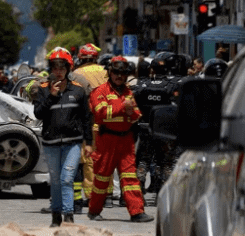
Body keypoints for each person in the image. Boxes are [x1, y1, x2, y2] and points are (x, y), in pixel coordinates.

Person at [88, 56, 154, 223]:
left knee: (130, 177)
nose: (119, 76)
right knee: (102, 177)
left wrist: (132, 113)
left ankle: (137, 212)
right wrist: (123, 107)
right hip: (106, 140)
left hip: (126, 141)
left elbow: (136, 115)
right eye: (116, 72)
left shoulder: (128, 92)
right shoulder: (100, 91)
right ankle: (94, 210)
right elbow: (101, 114)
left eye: (122, 73)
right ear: (110, 72)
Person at [33, 47, 93, 226]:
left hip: (72, 142)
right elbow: (38, 113)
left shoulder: (78, 91)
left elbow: (86, 118)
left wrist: (88, 142)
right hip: (50, 143)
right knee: (56, 181)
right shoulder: (43, 89)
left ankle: (68, 215)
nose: (58, 72)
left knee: (67, 178)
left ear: (68, 69)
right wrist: (51, 96)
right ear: (51, 69)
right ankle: (56, 215)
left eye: (62, 68)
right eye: (55, 68)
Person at [132, 56, 177, 205]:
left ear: (152, 69)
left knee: (143, 161)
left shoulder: (143, 84)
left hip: (145, 128)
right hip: (164, 131)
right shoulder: (171, 85)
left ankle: (139, 194)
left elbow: (135, 103)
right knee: (164, 162)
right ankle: (161, 195)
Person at [70, 43, 110, 210]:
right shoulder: (105, 72)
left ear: (80, 58)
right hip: (108, 119)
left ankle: (92, 195)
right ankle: (107, 195)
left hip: (88, 120)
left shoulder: (76, 74)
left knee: (88, 160)